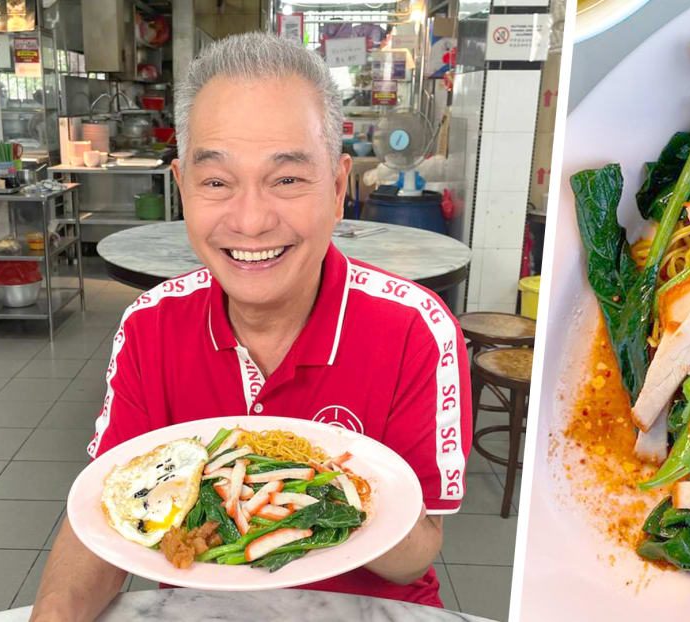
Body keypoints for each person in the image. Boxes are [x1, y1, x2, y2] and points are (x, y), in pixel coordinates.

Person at [30, 32, 471, 622]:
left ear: (338, 188)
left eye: (286, 180)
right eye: (217, 182)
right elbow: (109, 510)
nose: (251, 221)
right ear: (183, 188)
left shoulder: (417, 328)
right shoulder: (151, 325)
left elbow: (414, 561)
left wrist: (318, 483)